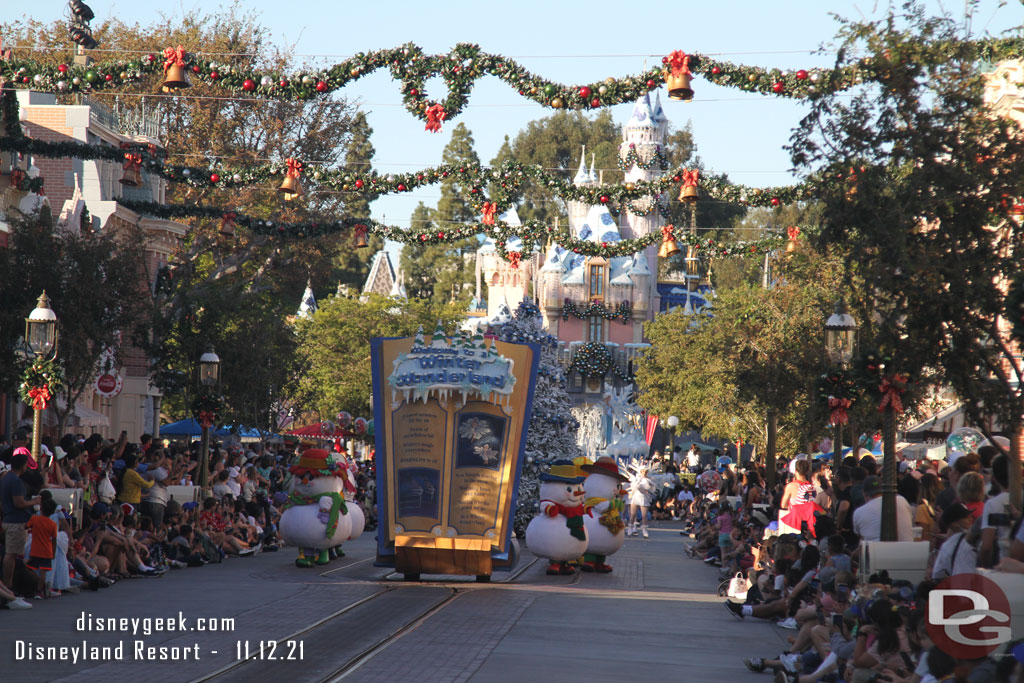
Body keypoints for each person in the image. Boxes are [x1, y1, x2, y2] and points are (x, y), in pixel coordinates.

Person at [1, 452, 42, 590]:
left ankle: (9, 584)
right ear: (23, 466)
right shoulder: (15, 481)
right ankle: (9, 585)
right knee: (11, 554)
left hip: (9, 519)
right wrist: (34, 501)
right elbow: (19, 503)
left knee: (11, 554)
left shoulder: (6, 479)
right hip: (15, 521)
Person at [852, 476, 914, 542]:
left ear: (864, 494)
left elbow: (860, 535)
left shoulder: (859, 512)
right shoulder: (902, 500)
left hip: (876, 551)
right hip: (908, 549)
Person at [25, 498, 58, 599]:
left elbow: (26, 526)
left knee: (30, 569)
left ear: (41, 509)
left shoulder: (34, 519)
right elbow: (54, 540)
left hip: (35, 550)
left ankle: (30, 588)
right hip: (47, 551)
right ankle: (40, 590)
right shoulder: (53, 524)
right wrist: (53, 552)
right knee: (43, 572)